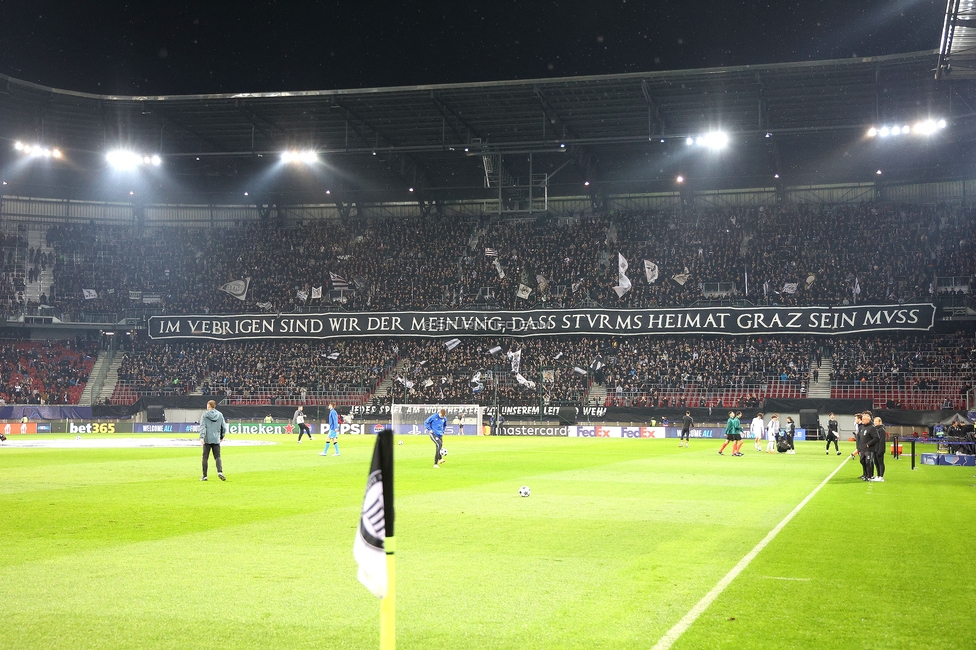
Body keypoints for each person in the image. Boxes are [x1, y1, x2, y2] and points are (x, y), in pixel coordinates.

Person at [199, 399, 227, 481]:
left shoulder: (204, 415)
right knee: (217, 456)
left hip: (207, 439)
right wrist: (221, 437)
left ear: (208, 406)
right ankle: (220, 471)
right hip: (216, 439)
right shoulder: (220, 415)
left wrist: (202, 437)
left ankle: (204, 476)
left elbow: (203, 427)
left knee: (205, 457)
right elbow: (224, 427)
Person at [855, 412, 876, 481]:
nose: (863, 420)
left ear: (868, 420)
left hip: (869, 449)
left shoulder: (872, 428)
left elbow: (876, 438)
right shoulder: (861, 427)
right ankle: (865, 474)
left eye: (864, 419)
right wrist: (859, 447)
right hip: (862, 449)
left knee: (868, 462)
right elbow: (859, 437)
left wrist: (868, 444)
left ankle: (869, 476)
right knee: (862, 461)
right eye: (862, 419)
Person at [871, 416, 886, 482]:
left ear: (880, 422)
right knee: (876, 463)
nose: (875, 423)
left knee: (880, 463)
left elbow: (882, 441)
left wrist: (880, 450)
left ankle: (881, 476)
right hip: (874, 449)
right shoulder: (875, 429)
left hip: (879, 449)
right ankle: (878, 475)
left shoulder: (882, 430)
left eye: (876, 421)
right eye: (874, 421)